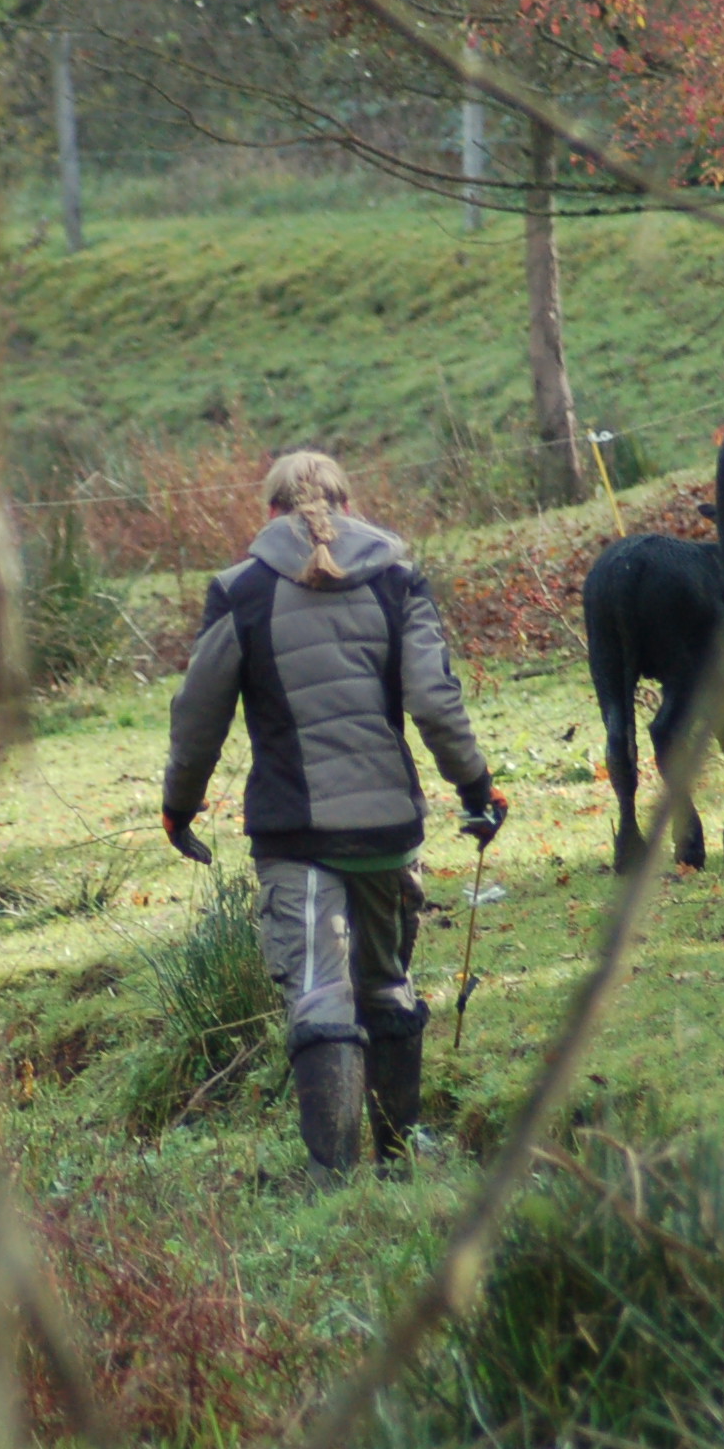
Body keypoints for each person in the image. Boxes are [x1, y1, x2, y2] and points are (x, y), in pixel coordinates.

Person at [160, 451, 507, 1183]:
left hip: (297, 833)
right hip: (388, 832)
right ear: (345, 505)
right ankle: (399, 1159)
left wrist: (178, 808)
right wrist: (477, 787)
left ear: (271, 511)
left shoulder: (240, 591)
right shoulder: (399, 579)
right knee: (386, 984)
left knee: (320, 990)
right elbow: (436, 704)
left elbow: (198, 718)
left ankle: (331, 1182)